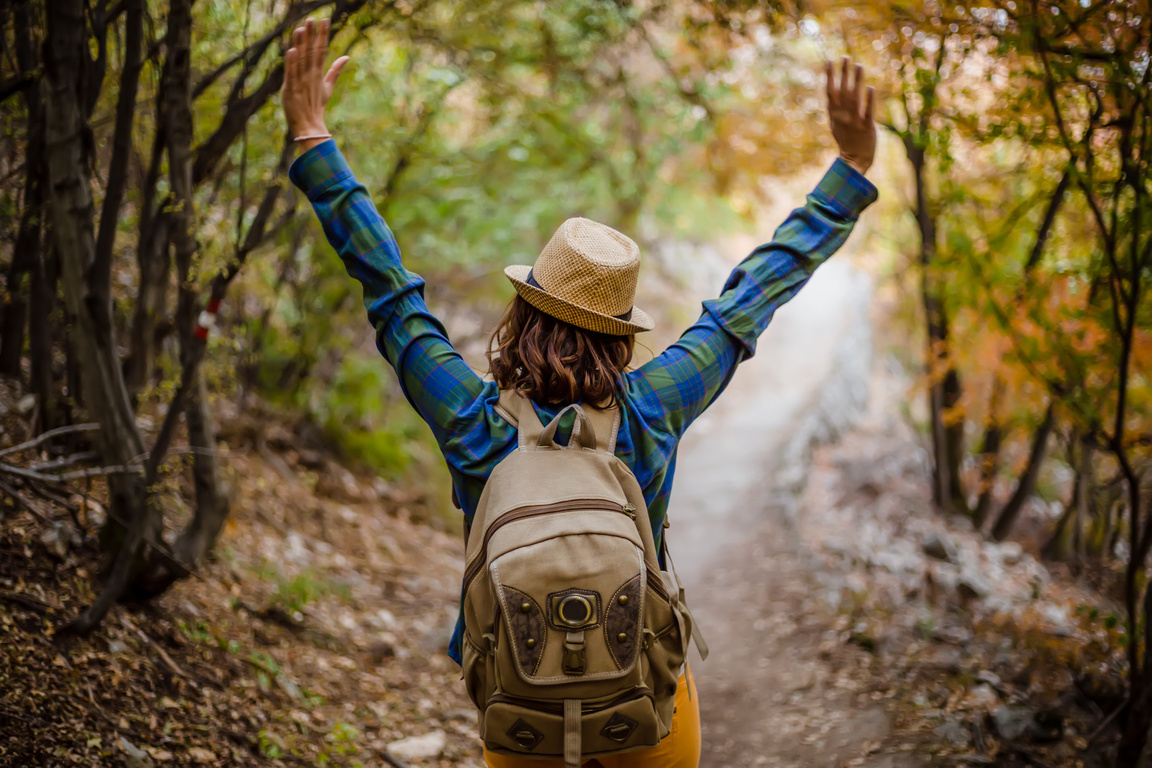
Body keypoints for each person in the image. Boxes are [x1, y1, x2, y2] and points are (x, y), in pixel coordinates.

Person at [282, 18, 877, 768]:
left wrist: (315, 144)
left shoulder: (472, 418)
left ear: (522, 308)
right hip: (645, 709)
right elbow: (744, 305)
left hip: (520, 711)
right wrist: (846, 178)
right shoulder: (654, 403)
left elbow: (392, 296)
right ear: (624, 333)